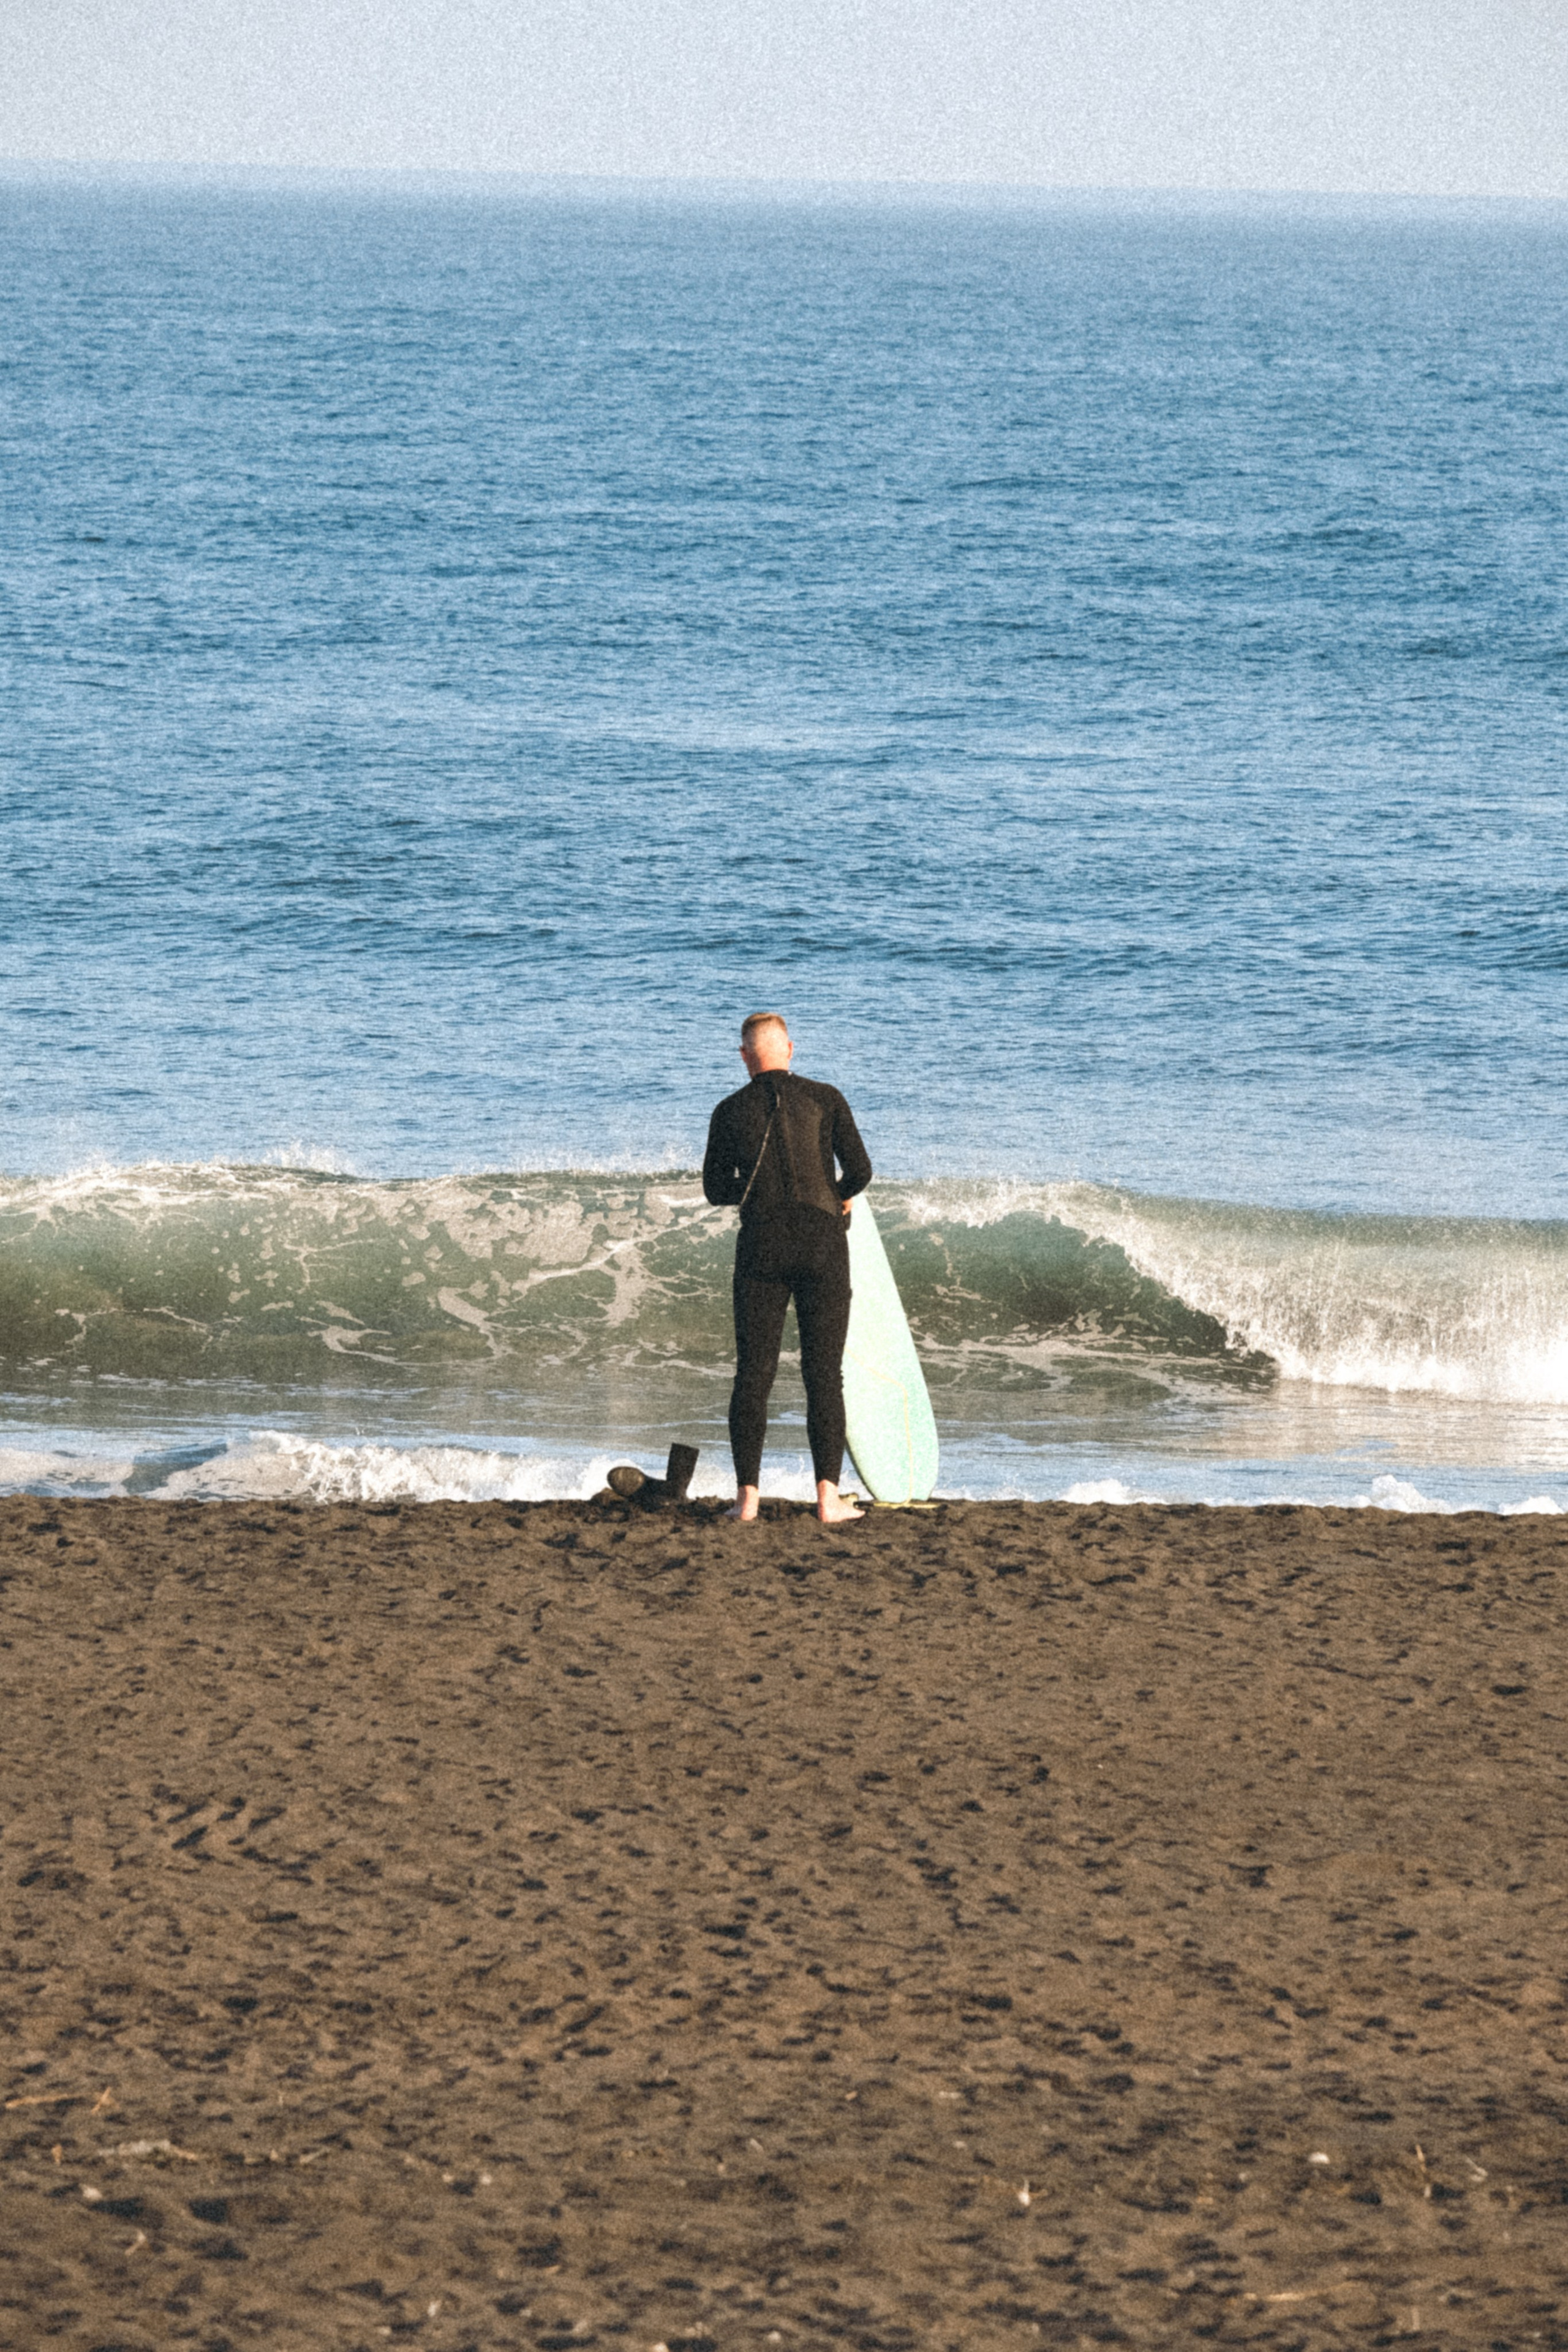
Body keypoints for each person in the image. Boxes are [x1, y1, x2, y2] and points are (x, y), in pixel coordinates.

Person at [703, 1012, 873, 1525]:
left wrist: (753, 1195)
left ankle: (746, 1501)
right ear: (790, 1050)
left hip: (762, 1246)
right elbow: (860, 1171)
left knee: (754, 1373)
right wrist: (837, 1198)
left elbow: (716, 1190)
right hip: (822, 1245)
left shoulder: (729, 1110)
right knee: (824, 1374)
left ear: (744, 1057)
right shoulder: (826, 1097)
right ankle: (827, 1500)